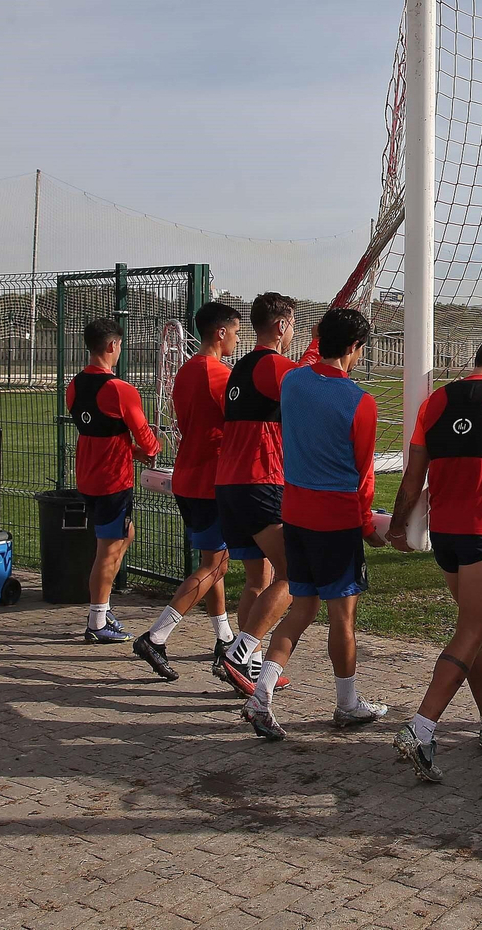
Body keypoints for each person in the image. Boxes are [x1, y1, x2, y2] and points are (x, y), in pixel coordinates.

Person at [241, 308, 390, 740]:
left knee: (302, 608)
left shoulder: (292, 382)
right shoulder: (360, 402)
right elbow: (363, 475)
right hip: (337, 520)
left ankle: (261, 695)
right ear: (355, 348)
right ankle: (347, 704)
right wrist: (366, 525)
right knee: (342, 619)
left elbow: (308, 361)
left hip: (296, 514)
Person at [389, 338, 482, 783]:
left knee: (474, 629)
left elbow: (413, 479)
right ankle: (422, 726)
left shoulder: (433, 402)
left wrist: (396, 527)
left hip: (445, 532)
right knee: (472, 629)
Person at [133, 302, 243, 680]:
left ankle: (224, 637)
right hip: (212, 481)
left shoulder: (185, 372)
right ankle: (156, 636)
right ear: (220, 333)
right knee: (214, 565)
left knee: (216, 564)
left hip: (187, 477)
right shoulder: (219, 374)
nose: (237, 338)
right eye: (235, 332)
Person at [214, 292, 309, 695]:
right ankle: (240, 652)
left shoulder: (239, 369)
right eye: (293, 327)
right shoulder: (273, 365)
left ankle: (247, 666)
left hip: (231, 485)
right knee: (297, 572)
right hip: (259, 482)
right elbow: (308, 392)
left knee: (259, 577)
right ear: (283, 326)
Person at [67, 318, 160, 643]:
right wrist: (151, 448)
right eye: (119, 345)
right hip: (113, 482)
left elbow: (102, 434)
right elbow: (144, 435)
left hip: (88, 477)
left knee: (125, 534)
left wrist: (132, 451)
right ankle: (96, 621)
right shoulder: (120, 389)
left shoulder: (75, 385)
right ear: (111, 346)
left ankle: (103, 610)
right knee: (107, 551)